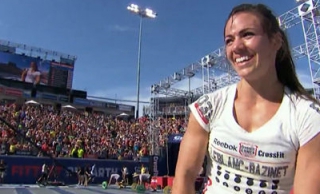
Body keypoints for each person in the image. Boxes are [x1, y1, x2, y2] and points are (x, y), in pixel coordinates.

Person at [172, 3, 320, 194]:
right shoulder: (208, 106)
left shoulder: (308, 117)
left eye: (248, 34)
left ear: (276, 41)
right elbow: (183, 179)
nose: (237, 47)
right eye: (229, 40)